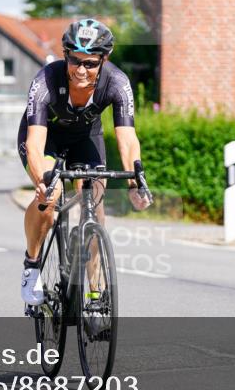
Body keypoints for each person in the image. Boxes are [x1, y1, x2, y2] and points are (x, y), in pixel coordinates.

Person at [17, 18, 151, 306]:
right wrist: (44, 181)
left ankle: (95, 293)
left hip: (85, 138)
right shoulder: (45, 81)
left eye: (90, 63)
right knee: (49, 199)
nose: (81, 70)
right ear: (66, 55)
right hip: (46, 139)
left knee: (95, 205)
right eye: (75, 60)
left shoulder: (117, 83)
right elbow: (35, 144)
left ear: (104, 59)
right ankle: (31, 264)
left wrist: (134, 182)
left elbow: (127, 139)